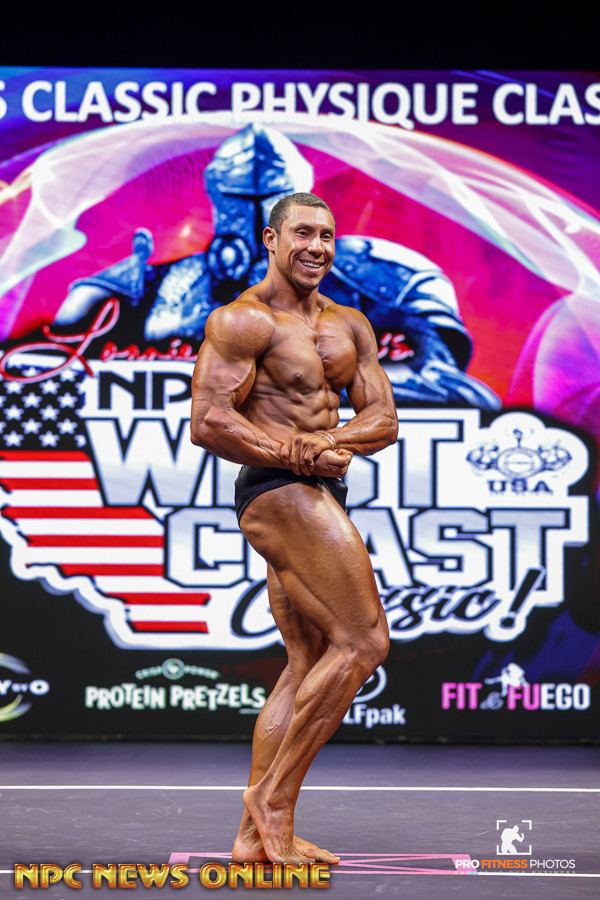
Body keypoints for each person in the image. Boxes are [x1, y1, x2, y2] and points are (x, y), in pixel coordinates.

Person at [190, 191, 398, 864]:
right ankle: (272, 802)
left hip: (320, 484)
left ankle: (252, 838)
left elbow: (383, 419)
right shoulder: (243, 320)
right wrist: (294, 452)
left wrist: (330, 440)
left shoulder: (349, 325)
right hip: (277, 489)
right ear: (272, 240)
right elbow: (209, 421)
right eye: (303, 233)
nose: (317, 247)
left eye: (327, 235)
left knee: (308, 660)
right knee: (364, 641)